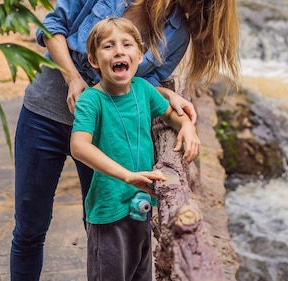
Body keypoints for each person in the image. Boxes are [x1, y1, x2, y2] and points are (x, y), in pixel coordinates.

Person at [10, 0, 240, 281]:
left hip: (105, 133)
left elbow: (141, 86)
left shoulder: (178, 35)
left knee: (103, 228)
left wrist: (181, 115)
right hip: (44, 113)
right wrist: (74, 79)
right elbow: (51, 26)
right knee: (30, 227)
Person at [71, 17, 200, 281]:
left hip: (141, 206)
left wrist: (187, 125)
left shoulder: (143, 90)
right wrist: (127, 176)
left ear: (139, 56)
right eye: (108, 46)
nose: (119, 51)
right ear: (94, 60)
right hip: (109, 213)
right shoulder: (91, 100)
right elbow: (79, 147)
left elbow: (170, 115)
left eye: (127, 44)